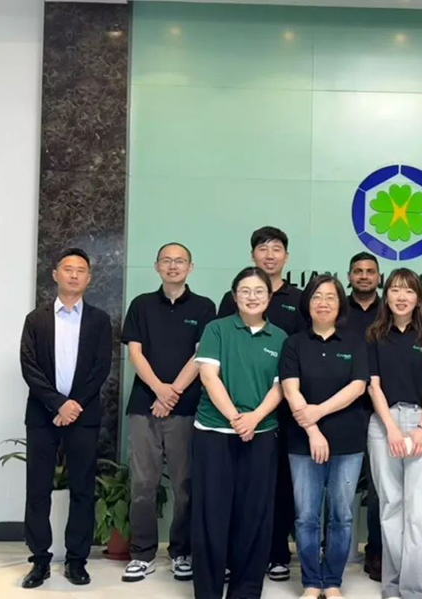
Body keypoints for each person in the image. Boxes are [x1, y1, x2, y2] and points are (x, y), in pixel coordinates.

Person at [120, 242, 216, 583]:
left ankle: (181, 552)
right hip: (144, 407)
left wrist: (172, 392)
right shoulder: (141, 305)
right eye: (166, 261)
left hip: (186, 409)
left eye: (180, 261)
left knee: (184, 485)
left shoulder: (204, 307)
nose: (173, 266)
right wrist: (159, 390)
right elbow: (135, 353)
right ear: (157, 266)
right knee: (142, 484)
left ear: (190, 267)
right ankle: (142, 554)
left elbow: (201, 356)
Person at [19, 248, 112, 589]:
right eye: (68, 269)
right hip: (42, 415)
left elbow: (101, 367)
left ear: (89, 278)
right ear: (55, 274)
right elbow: (29, 366)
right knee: (37, 488)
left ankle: (76, 560)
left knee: (83, 489)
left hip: (83, 416)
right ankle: (39, 560)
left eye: (81, 270)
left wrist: (73, 405)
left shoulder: (99, 320)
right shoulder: (36, 319)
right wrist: (58, 404)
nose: (74, 275)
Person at [192, 266, 286, 599]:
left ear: (269, 297)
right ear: (234, 296)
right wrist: (236, 418)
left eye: (259, 291)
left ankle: (245, 590)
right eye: (245, 291)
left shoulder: (280, 338)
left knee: (254, 514)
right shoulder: (217, 329)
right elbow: (208, 376)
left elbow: (280, 386)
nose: (252, 297)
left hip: (261, 435)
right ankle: (208, 590)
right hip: (214, 432)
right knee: (211, 514)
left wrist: (255, 418)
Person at [217, 226, 302, 582]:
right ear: (252, 255)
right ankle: (230, 556)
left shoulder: (299, 299)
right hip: (236, 412)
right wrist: (238, 413)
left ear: (286, 256)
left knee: (279, 483)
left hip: (284, 408)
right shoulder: (232, 299)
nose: (269, 254)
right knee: (234, 486)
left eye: (276, 248)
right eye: (262, 248)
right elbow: (218, 355)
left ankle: (277, 553)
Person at [280, 275, 369, 599]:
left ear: (340, 304)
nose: (323, 303)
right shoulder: (294, 343)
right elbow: (290, 389)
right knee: (306, 516)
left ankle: (332, 582)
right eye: (317, 297)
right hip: (303, 442)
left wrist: (318, 412)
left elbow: (358, 386)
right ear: (307, 304)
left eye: (331, 297)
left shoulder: (355, 342)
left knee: (341, 516)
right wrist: (313, 429)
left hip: (347, 442)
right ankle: (311, 582)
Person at [366, 268, 422, 599]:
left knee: (419, 512)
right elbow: (373, 386)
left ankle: (416, 591)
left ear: (419, 298)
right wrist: (390, 428)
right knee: (391, 507)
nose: (401, 297)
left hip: (421, 422)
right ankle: (393, 586)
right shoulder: (374, 335)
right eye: (395, 290)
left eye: (409, 291)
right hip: (383, 423)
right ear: (386, 295)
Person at [341, 252, 383, 582]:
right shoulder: (336, 309)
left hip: (382, 409)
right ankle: (337, 550)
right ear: (349, 276)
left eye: (370, 271)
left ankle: (377, 552)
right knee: (338, 484)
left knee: (379, 488)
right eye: (358, 271)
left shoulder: (392, 308)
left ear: (379, 277)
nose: (364, 276)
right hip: (342, 408)